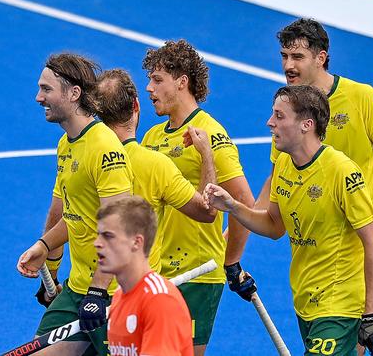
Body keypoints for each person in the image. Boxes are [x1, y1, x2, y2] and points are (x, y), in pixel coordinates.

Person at [205, 84, 373, 355]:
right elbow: (273, 226)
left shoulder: (343, 172)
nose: (270, 122)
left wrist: (371, 314)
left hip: (340, 305)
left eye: (279, 116)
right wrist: (232, 207)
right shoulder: (283, 165)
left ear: (306, 124)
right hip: (305, 302)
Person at [255, 18, 373, 266]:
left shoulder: (363, 98)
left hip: (362, 240)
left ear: (321, 58)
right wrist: (234, 234)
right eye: (284, 56)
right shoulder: (288, 113)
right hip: (316, 244)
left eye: (297, 57)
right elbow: (275, 181)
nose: (288, 66)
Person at [140, 39, 256, 354]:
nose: (148, 88)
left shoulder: (211, 133)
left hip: (197, 275)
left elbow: (244, 203)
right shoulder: (151, 137)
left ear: (182, 83)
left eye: (157, 80)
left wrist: (229, 261)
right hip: (156, 273)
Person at [16, 53, 133, 355]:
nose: (38, 97)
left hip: (113, 293)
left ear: (73, 93)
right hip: (78, 288)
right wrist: (43, 246)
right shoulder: (66, 144)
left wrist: (98, 290)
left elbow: (119, 224)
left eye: (46, 89)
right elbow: (75, 214)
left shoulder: (105, 147)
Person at [93, 68, 217, 273]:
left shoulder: (84, 154)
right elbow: (207, 211)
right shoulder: (155, 164)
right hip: (137, 284)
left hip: (87, 282)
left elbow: (64, 215)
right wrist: (206, 155)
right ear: (136, 105)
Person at [95, 196, 194, 356]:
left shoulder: (159, 300)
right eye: (98, 234)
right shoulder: (120, 295)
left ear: (137, 242)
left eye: (108, 236)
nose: (97, 243)